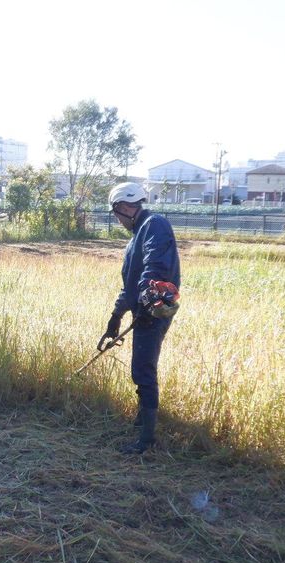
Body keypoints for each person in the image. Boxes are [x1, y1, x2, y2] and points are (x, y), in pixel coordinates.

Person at [103, 182, 181, 455]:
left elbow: (154, 265)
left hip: (154, 309)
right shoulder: (136, 235)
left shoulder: (154, 225)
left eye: (117, 214)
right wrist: (116, 315)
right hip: (143, 308)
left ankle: (147, 441)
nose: (118, 220)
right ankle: (141, 419)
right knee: (140, 366)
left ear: (124, 207)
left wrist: (148, 298)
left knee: (143, 369)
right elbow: (130, 284)